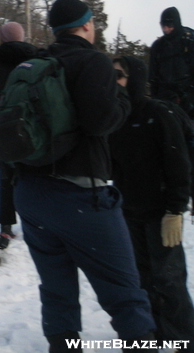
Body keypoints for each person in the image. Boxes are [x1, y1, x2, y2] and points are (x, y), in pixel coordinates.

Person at [11, 0, 156, 352]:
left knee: (57, 291)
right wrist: (122, 96)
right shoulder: (93, 62)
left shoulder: (36, 63)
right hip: (79, 197)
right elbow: (100, 122)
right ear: (88, 25)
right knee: (125, 294)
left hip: (31, 194)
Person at [109, 55, 194, 342]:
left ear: (135, 79)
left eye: (119, 75)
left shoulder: (158, 114)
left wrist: (176, 209)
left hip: (161, 212)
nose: (115, 81)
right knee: (141, 278)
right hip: (130, 212)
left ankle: (183, 339)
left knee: (168, 279)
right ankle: (155, 333)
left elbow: (178, 163)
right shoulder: (116, 118)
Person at [0, 21, 37, 249]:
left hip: (4, 130)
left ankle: (6, 226)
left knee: (6, 178)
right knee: (31, 176)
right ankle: (34, 223)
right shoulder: (36, 60)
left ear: (2, 38)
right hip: (31, 129)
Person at [149, 7, 194, 118]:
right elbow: (153, 76)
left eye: (169, 26)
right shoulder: (158, 46)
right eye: (163, 26)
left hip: (188, 96)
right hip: (165, 98)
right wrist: (156, 98)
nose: (166, 29)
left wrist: (188, 95)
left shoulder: (189, 41)